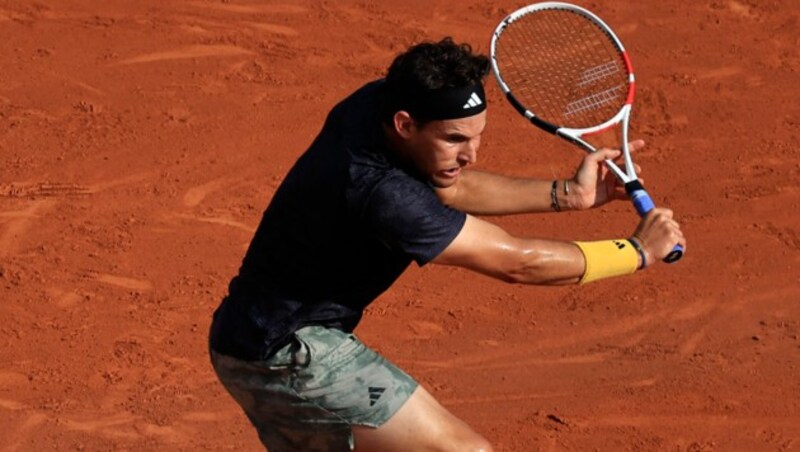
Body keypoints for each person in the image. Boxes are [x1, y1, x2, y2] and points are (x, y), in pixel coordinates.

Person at [208, 37, 685, 451]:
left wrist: (567, 194)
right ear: (406, 124)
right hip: (288, 352)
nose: (471, 154)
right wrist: (637, 252)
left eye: (476, 137)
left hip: (252, 336)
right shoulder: (382, 195)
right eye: (454, 138)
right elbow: (515, 263)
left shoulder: (372, 105)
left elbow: (449, 184)